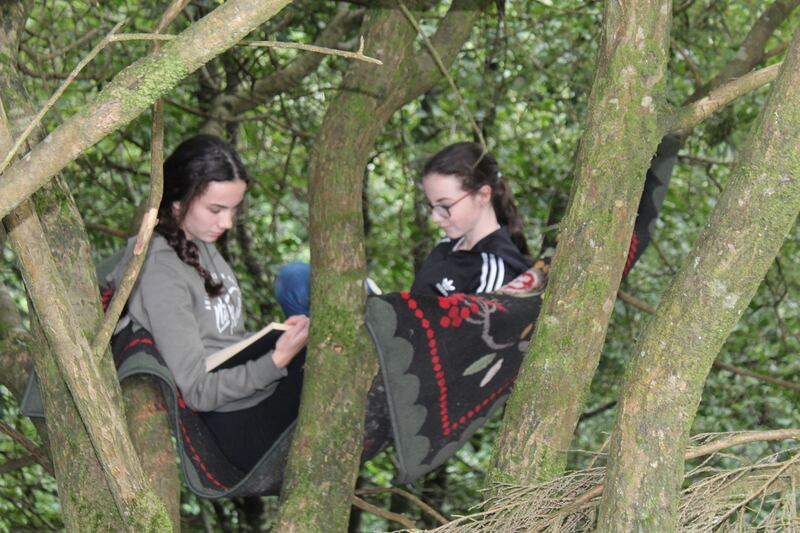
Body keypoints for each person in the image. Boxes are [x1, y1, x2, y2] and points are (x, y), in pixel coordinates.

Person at [108, 134, 309, 471]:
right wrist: (275, 361)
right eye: (216, 209)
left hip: (256, 397)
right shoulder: (160, 272)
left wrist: (275, 339)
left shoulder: (199, 240)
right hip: (239, 425)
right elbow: (198, 389)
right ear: (177, 200)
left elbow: (224, 341)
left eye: (233, 209)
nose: (227, 223)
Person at [410, 142, 532, 296]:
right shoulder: (448, 244)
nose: (435, 218)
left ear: (483, 195)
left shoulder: (496, 272)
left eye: (445, 205)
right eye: (432, 205)